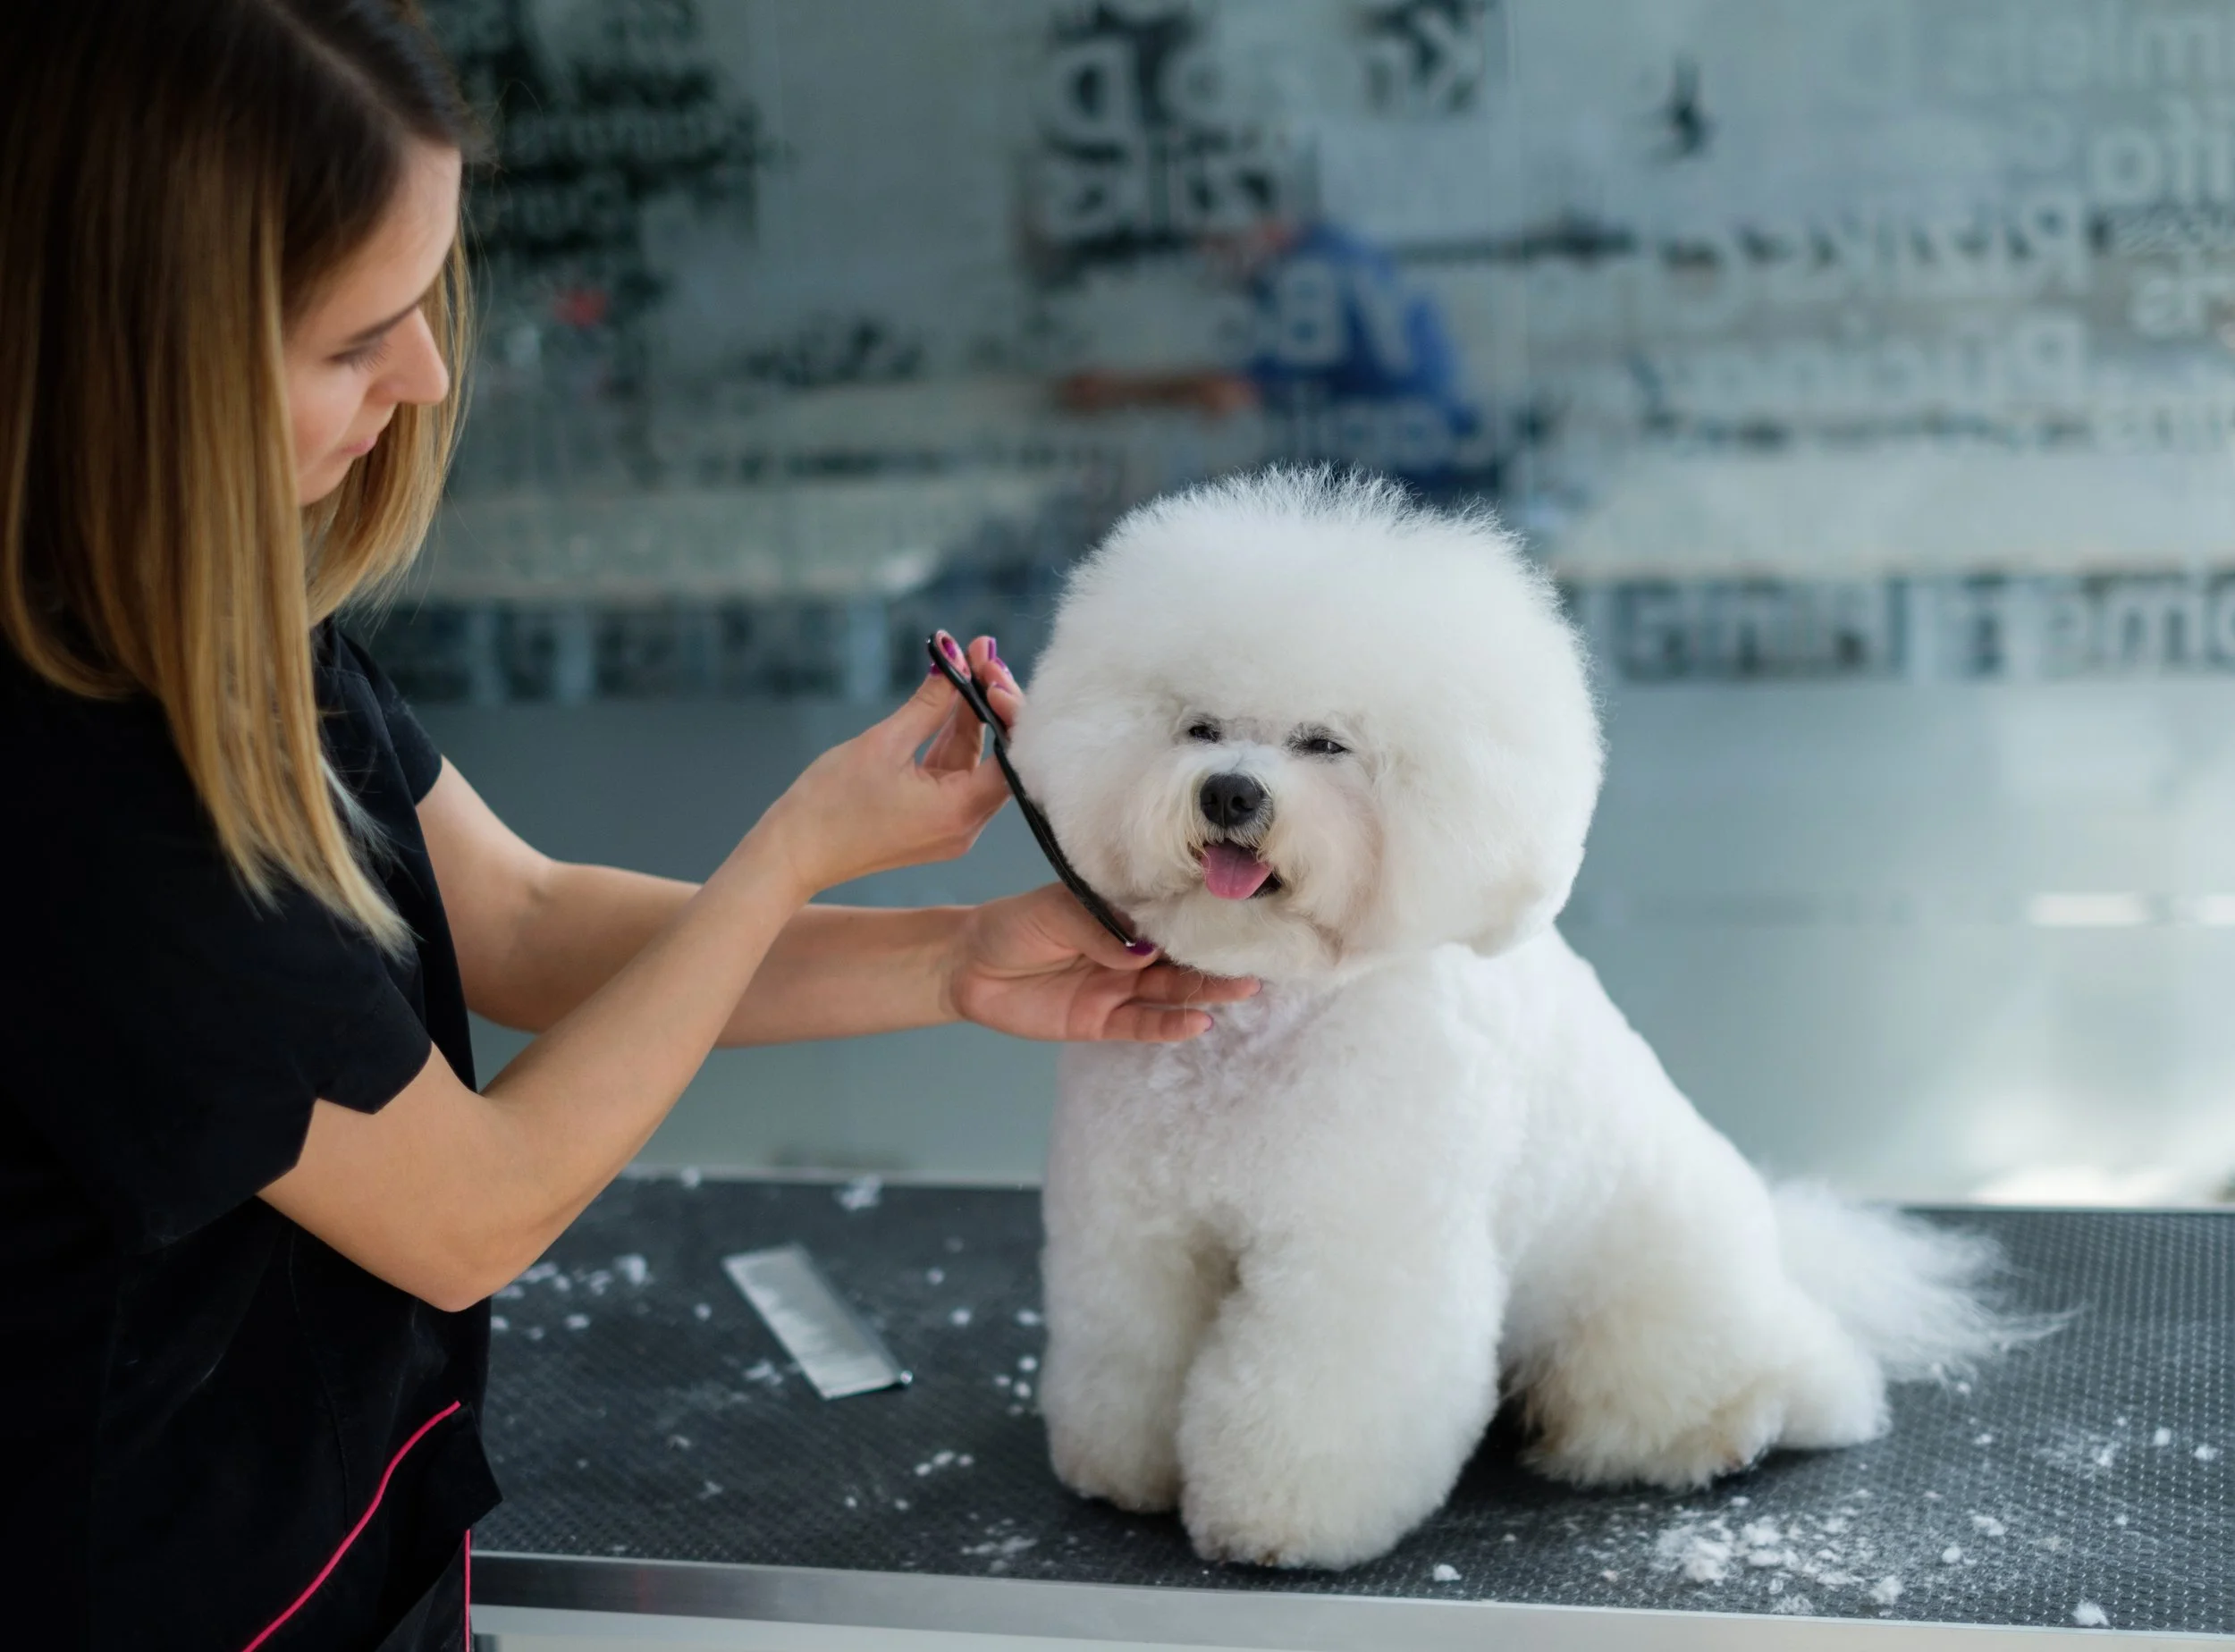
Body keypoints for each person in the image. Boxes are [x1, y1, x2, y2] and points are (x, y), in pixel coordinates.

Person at [0, 4, 1253, 1648]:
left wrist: (959, 957)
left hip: (338, 1548)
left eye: (428, 304)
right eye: (353, 337)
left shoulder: (229, 634)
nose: (432, 374)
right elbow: (472, 1212)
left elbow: (516, 921)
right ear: (139, 355)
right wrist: (799, 843)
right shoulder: (77, 789)